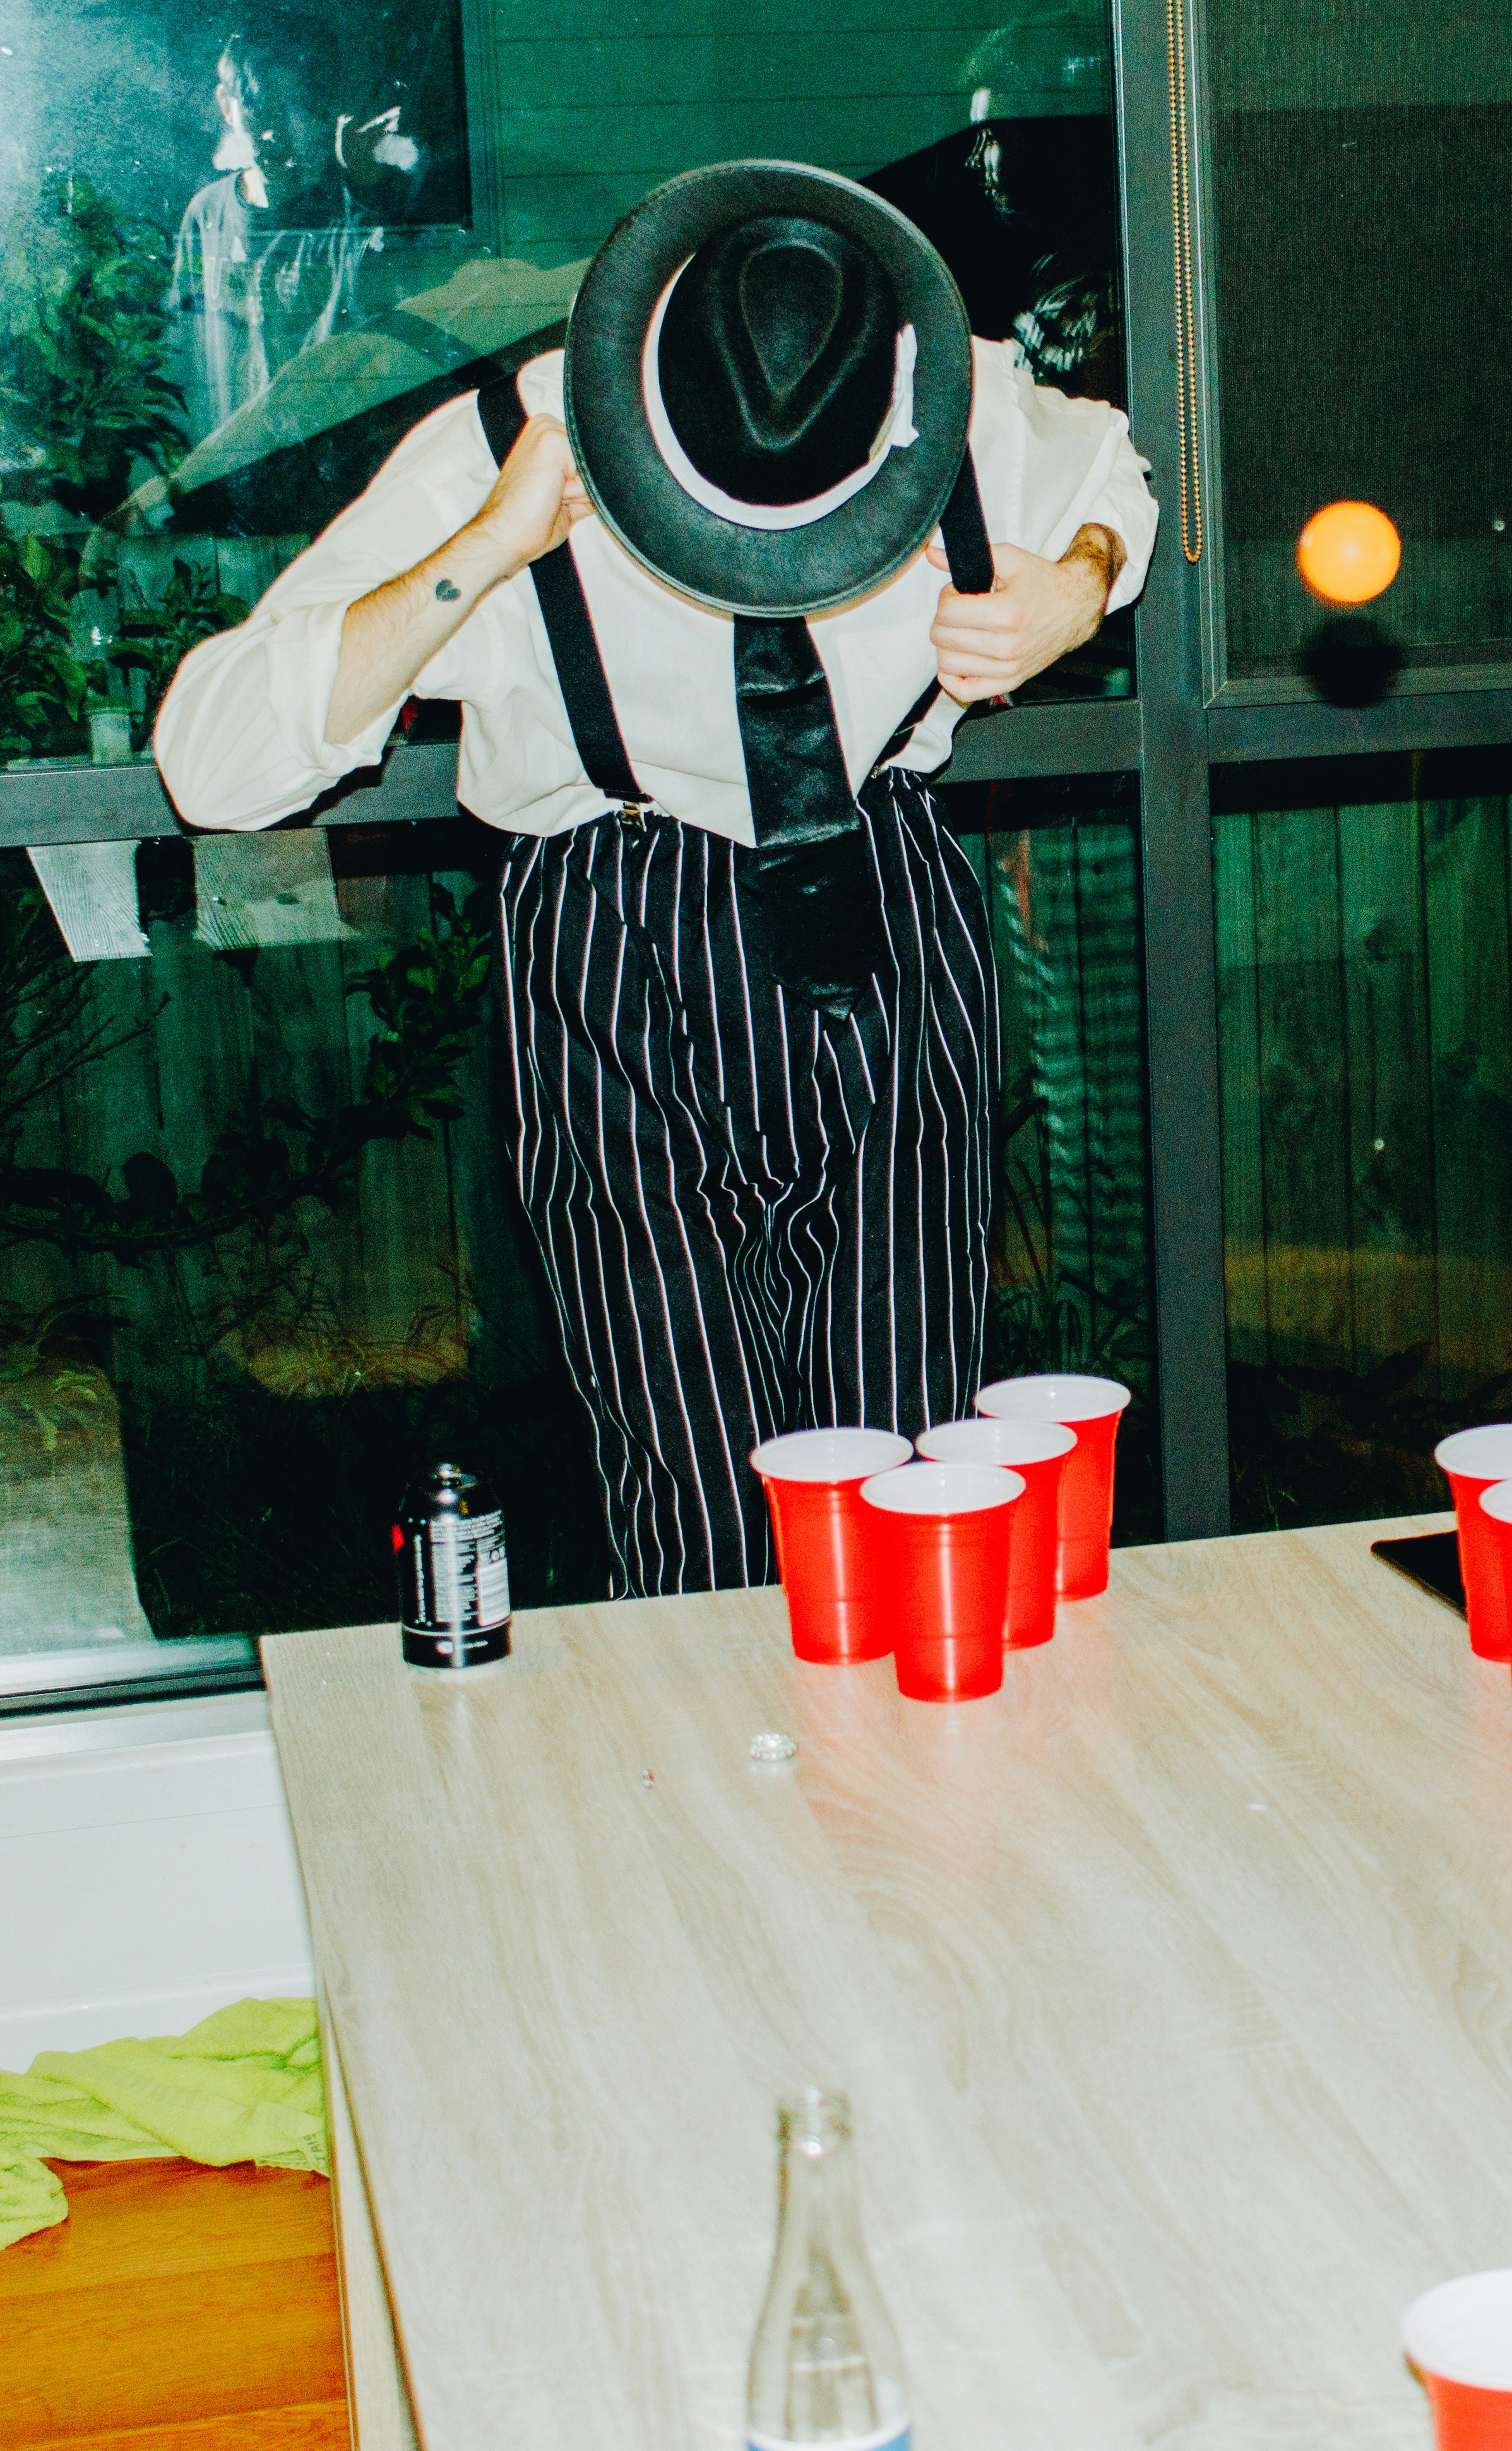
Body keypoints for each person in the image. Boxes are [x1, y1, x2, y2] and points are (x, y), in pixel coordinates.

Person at [157, 163, 1153, 1599]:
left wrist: (1079, 582)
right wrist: (485, 548)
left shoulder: (935, 385)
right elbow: (213, 760)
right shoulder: (492, 445)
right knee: (687, 1478)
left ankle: (912, 1810)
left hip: (887, 902)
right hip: (617, 947)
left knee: (910, 1463)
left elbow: (1108, 467)